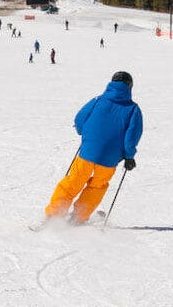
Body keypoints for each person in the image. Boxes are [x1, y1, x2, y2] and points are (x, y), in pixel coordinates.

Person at [45, 71, 143, 224]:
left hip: (88, 152)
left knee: (73, 181)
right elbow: (131, 136)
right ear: (130, 87)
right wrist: (129, 156)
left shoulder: (98, 100)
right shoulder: (133, 109)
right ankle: (78, 217)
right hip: (109, 159)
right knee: (97, 186)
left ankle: (55, 214)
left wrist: (84, 133)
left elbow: (80, 119)